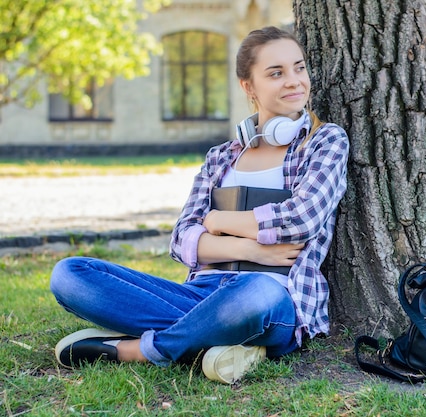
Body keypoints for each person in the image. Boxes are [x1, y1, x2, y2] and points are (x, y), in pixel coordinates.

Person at [49, 26, 349, 384]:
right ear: (248, 87)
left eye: (299, 68)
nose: (295, 81)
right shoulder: (221, 157)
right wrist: (255, 248)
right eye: (276, 73)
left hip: (273, 297)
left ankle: (143, 350)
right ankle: (217, 340)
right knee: (71, 274)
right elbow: (181, 239)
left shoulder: (324, 141)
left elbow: (300, 221)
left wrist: (217, 218)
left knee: (253, 294)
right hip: (200, 291)